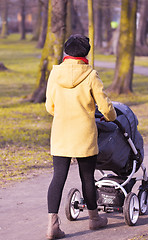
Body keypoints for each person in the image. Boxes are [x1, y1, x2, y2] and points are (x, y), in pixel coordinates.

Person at [45, 34, 117, 239]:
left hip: (61, 133)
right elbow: (105, 107)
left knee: (57, 178)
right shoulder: (91, 75)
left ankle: (52, 225)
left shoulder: (55, 74)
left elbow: (49, 106)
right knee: (87, 178)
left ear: (67, 52)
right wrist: (111, 116)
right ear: (86, 53)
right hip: (84, 134)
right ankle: (94, 219)